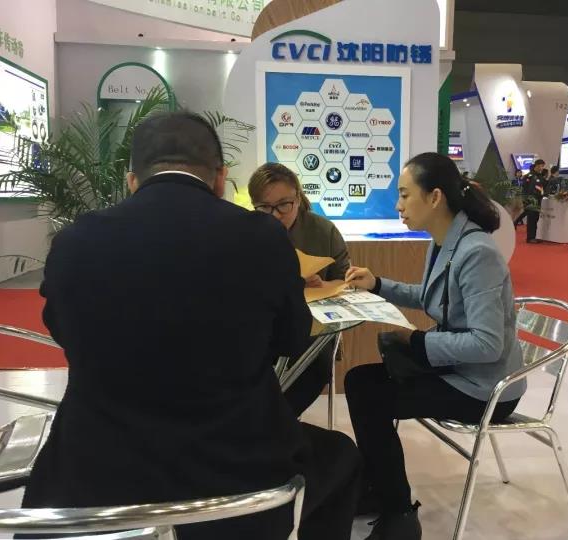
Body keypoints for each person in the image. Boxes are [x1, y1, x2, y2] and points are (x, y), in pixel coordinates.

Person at [22, 112, 361, 540]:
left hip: (96, 478)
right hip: (238, 477)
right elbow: (292, 339)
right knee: (341, 458)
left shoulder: (75, 242)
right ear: (220, 179)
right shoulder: (263, 238)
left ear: (132, 181)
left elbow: (63, 331)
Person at [343, 152, 526, 540]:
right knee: (359, 381)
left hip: (486, 388)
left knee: (371, 396)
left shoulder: (477, 253)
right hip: (461, 370)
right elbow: (430, 297)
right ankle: (380, 489)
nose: (398, 205)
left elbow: (487, 344)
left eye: (404, 194)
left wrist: (417, 341)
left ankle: (398, 513)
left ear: (435, 197)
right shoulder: (443, 241)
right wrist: (377, 284)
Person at [248, 162, 350, 416]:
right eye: (264, 207)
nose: (275, 215)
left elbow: (346, 281)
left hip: (311, 324)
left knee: (316, 364)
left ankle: (278, 421)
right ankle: (261, 419)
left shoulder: (323, 231)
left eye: (284, 205)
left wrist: (322, 284)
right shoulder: (246, 230)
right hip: (260, 320)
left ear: (298, 198)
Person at [514, 159, 545, 243]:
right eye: (541, 166)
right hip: (531, 200)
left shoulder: (539, 176)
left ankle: (533, 236)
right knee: (531, 219)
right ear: (537, 165)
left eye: (543, 166)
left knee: (535, 218)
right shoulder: (529, 176)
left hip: (537, 200)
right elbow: (527, 189)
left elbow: (541, 188)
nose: (542, 168)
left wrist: (542, 194)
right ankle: (530, 238)